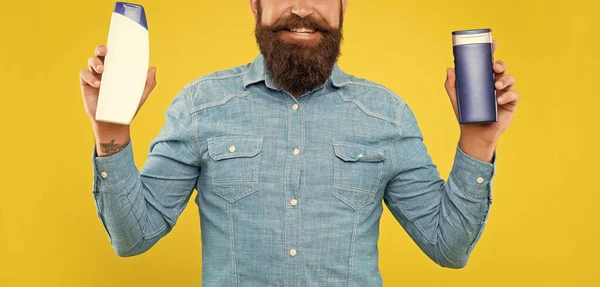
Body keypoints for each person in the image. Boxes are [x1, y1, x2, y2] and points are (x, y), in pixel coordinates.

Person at [79, 0, 519, 285]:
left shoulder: (387, 115)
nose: (303, 9)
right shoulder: (200, 106)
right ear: (255, 7)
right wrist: (111, 132)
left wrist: (478, 140)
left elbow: (448, 247)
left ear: (344, 8)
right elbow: (132, 238)